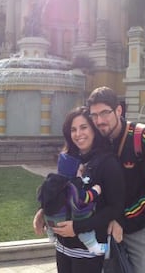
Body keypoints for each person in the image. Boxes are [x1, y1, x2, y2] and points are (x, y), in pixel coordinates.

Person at [33, 106, 125, 273]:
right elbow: (59, 192)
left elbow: (115, 207)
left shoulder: (107, 163)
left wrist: (78, 227)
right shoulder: (68, 160)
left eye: (83, 127)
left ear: (94, 129)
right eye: (73, 129)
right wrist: (43, 210)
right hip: (63, 247)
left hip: (90, 251)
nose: (78, 134)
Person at [86, 86, 145, 273]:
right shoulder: (97, 140)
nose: (99, 121)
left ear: (119, 110)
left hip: (138, 228)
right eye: (94, 115)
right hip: (103, 227)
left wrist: (123, 219)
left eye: (105, 113)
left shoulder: (143, 138)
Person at [37, 159, 107, 255]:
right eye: (80, 171)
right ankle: (93, 247)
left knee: (51, 224)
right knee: (84, 229)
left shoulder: (51, 183)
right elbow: (83, 199)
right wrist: (95, 191)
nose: (81, 174)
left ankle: (51, 237)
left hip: (51, 220)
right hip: (68, 220)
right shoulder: (73, 185)